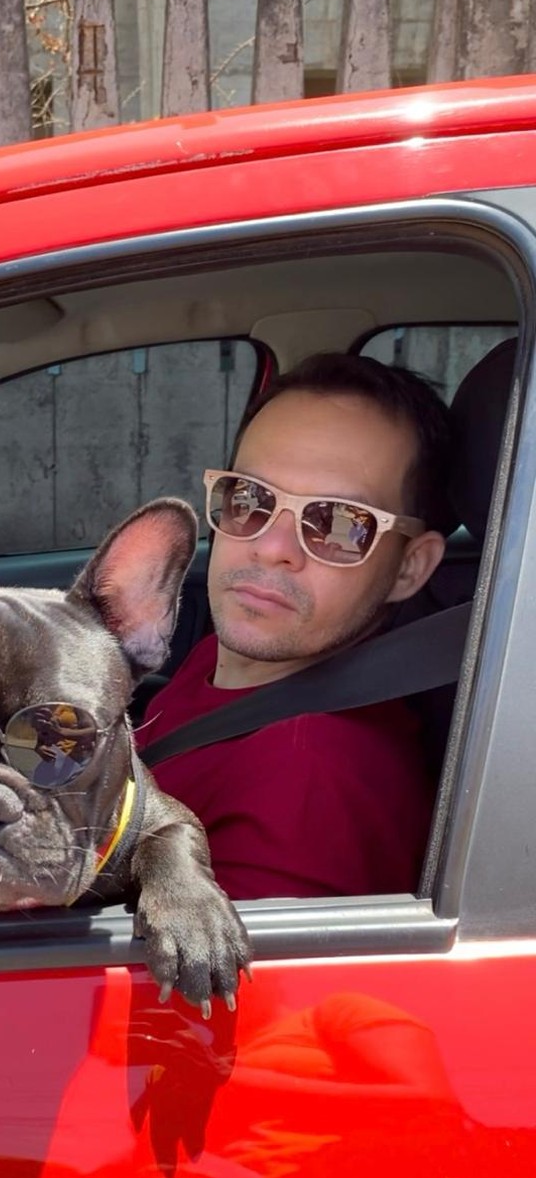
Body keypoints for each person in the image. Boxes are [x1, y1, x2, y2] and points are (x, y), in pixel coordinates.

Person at [135, 353, 451, 900]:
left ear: (408, 567)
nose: (272, 547)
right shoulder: (229, 657)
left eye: (337, 524)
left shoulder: (310, 775)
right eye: (250, 499)